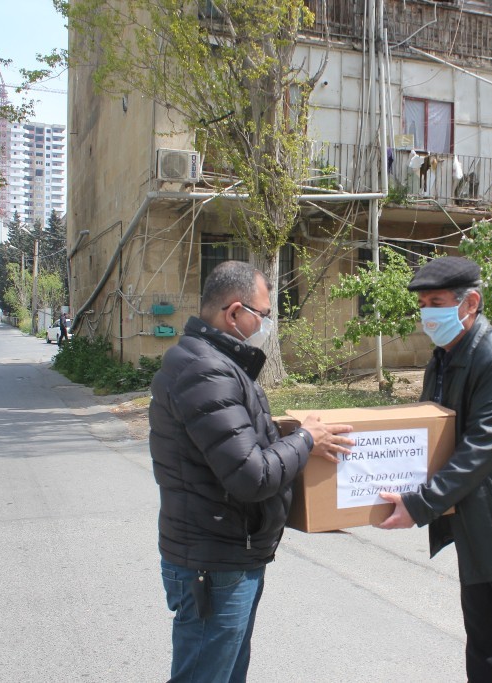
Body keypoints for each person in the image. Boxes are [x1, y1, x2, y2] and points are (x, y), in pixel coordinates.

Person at [149, 260, 354, 683]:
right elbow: (250, 475)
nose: (266, 323)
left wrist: (281, 431)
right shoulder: (206, 370)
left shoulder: (210, 362)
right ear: (234, 313)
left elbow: (227, 442)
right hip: (216, 561)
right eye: (262, 314)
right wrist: (305, 441)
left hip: (226, 551)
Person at [377, 256, 492, 683]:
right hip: (477, 530)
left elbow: (479, 449)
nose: (428, 313)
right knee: (484, 652)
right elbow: (433, 435)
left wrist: (419, 503)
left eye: (437, 301)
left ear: (471, 303)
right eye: (423, 304)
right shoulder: (444, 359)